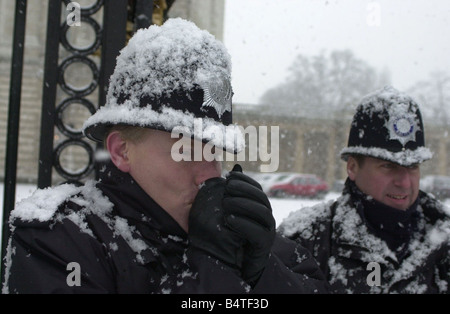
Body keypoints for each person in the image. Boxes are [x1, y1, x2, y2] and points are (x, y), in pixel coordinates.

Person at [2, 18, 328, 294]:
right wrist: (213, 269)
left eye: (216, 153)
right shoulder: (62, 239)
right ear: (121, 150)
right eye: (185, 150)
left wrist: (265, 275)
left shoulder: (253, 240)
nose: (210, 175)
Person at [278, 85, 450, 294]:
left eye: (412, 167)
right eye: (388, 166)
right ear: (352, 167)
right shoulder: (305, 239)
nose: (404, 182)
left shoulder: (444, 236)